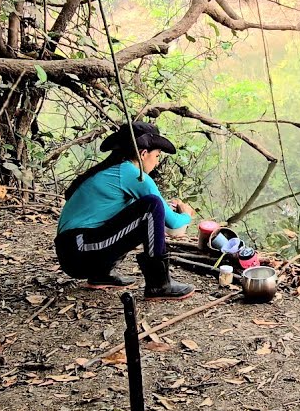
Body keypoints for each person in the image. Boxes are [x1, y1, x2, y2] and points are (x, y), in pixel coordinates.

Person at [55, 121, 195, 299]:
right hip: (79, 250)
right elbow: (173, 223)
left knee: (149, 207)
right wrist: (186, 214)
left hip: (74, 250)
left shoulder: (114, 169)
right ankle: (159, 284)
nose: (157, 161)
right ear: (143, 154)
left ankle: (101, 275)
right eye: (157, 155)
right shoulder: (133, 173)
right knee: (152, 205)